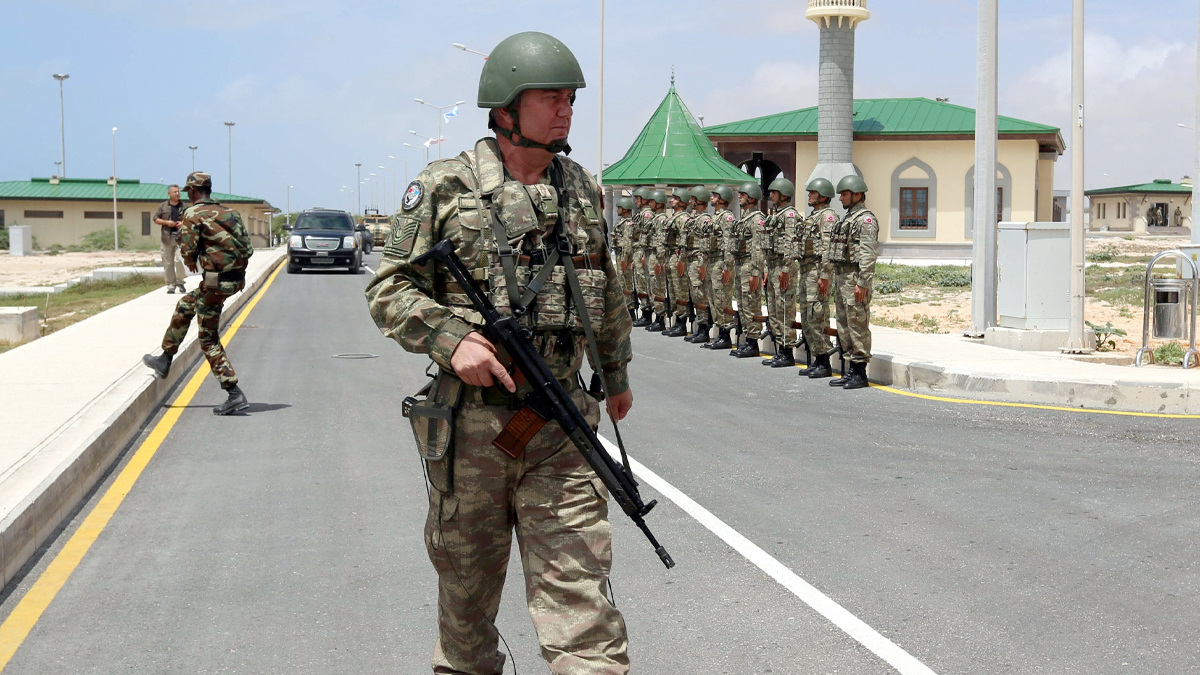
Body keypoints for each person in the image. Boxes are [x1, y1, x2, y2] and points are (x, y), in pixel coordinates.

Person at [364, 31, 634, 674]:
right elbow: (387, 287)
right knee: (466, 607)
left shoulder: (581, 190)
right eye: (551, 98)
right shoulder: (444, 187)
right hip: (473, 433)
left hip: (562, 426)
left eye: (570, 99)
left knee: (582, 603)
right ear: (506, 109)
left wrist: (615, 370)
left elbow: (606, 284)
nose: (566, 110)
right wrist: (451, 340)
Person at [142, 172, 252, 415]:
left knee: (208, 338)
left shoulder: (191, 213)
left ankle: (233, 392)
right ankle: (165, 359)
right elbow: (248, 249)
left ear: (192, 191)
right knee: (185, 305)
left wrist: (192, 254)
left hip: (215, 283)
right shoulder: (231, 213)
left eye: (187, 192)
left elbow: (189, 249)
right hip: (233, 280)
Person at [820, 174, 878, 390]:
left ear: (857, 194)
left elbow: (868, 255)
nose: (841, 198)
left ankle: (860, 371)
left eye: (844, 194)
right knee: (844, 325)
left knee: (857, 324)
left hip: (854, 279)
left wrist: (862, 282)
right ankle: (850, 368)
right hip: (842, 277)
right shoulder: (848, 219)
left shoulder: (866, 220)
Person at [797, 178, 839, 378]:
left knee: (817, 314)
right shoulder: (814, 216)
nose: (809, 196)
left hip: (816, 271)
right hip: (806, 271)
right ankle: (817, 358)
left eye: (812, 192)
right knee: (807, 316)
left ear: (822, 195)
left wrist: (824, 275)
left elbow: (828, 248)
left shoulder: (828, 217)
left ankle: (824, 361)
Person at [762, 177, 800, 367]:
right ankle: (780, 349)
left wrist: (785, 269)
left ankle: (787, 351)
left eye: (774, 193)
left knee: (785, 309)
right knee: (775, 309)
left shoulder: (789, 215)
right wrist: (768, 270)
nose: (771, 196)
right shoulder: (776, 215)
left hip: (784, 268)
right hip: (773, 266)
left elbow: (791, 244)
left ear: (783, 194)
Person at [730, 182, 766, 358]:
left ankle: (753, 342)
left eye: (742, 194)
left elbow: (758, 249)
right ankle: (747, 339)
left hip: (749, 266)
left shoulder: (757, 220)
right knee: (743, 304)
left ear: (751, 197)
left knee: (751, 303)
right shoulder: (745, 219)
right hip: (740, 265)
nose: (739, 197)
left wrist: (755, 273)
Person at [705, 185, 738, 350]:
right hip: (712, 261)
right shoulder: (715, 217)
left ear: (723, 199)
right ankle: (720, 332)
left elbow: (728, 243)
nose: (712, 198)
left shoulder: (727, 218)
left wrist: (727, 266)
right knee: (713, 298)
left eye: (715, 195)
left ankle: (725, 335)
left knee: (721, 298)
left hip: (720, 263)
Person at [683, 186, 714, 344]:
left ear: (700, 200)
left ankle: (704, 329)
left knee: (701, 295)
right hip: (692, 260)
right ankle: (699, 327)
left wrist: (702, 265)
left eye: (693, 199)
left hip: (698, 261)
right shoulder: (695, 218)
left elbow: (704, 245)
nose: (690, 201)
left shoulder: (705, 220)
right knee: (695, 294)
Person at [660, 188, 692, 337]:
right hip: (670, 255)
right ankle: (677, 320)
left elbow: (684, 241)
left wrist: (681, 260)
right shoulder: (674, 217)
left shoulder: (683, 219)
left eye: (675, 198)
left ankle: (682, 322)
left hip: (678, 256)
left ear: (682, 201)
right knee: (673, 290)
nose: (671, 200)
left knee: (680, 290)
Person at [152, 184, 190, 294]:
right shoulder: (163, 206)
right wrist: (167, 222)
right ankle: (171, 285)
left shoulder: (185, 206)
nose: (177, 193)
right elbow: (155, 219)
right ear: (169, 194)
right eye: (175, 192)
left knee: (180, 261)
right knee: (168, 263)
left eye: (178, 191)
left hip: (181, 238)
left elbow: (191, 219)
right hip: (166, 238)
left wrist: (183, 223)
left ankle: (181, 283)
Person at [643, 189, 669, 332]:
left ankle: (661, 318)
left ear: (659, 203)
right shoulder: (655, 218)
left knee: (657, 286)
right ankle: (657, 316)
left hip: (656, 257)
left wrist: (659, 261)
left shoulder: (661, 219)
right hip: (651, 255)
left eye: (652, 201)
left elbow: (661, 241)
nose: (650, 204)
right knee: (652, 286)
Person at [631, 187, 654, 326]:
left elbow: (647, 234)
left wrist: (644, 253)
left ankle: (647, 313)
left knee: (643, 282)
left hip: (642, 251)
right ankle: (645, 312)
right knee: (640, 282)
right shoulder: (640, 214)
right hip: (638, 251)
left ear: (644, 199)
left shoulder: (647, 215)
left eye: (637, 198)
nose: (635, 201)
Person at [613, 196, 637, 319]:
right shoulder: (622, 222)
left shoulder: (628, 223)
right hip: (620, 255)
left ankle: (630, 309)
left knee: (626, 282)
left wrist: (624, 259)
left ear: (625, 209)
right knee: (622, 282)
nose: (617, 210)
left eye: (619, 208)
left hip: (624, 257)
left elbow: (627, 243)